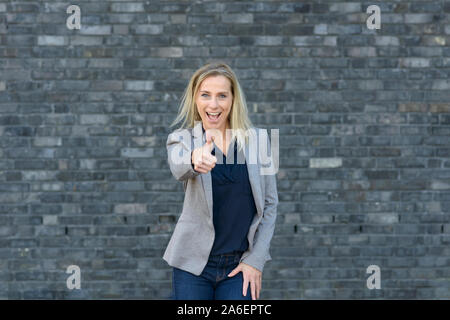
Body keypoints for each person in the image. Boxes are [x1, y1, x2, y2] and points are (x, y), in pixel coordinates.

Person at [164, 61, 278, 300]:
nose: (213, 104)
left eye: (222, 96)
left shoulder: (259, 140)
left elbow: (269, 205)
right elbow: (179, 166)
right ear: (195, 99)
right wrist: (195, 159)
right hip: (192, 267)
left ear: (233, 100)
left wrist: (256, 261)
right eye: (205, 95)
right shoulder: (182, 140)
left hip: (239, 266)